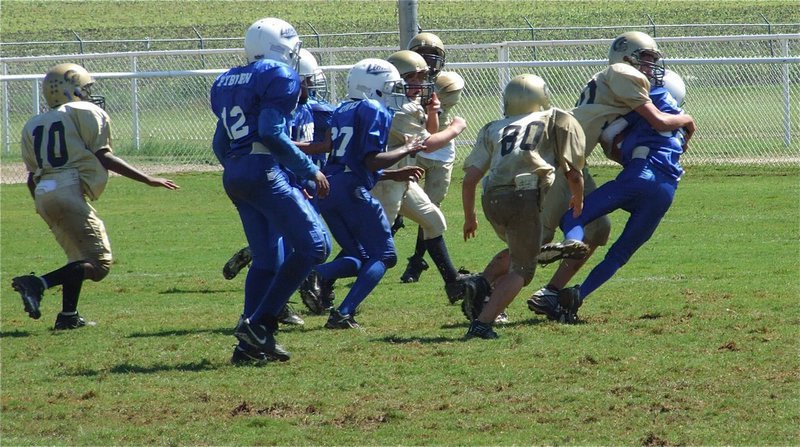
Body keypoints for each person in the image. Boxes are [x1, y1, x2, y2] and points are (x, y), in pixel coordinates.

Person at [527, 31, 697, 319]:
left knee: (572, 218)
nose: (650, 68)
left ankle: (499, 286)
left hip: (637, 176)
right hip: (667, 189)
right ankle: (575, 296)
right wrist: (688, 120)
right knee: (619, 253)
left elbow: (611, 138)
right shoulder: (651, 98)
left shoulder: (636, 102)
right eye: (645, 60)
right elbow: (660, 127)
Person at [11, 62, 179, 330]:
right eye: (84, 88)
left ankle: (68, 316)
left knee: (77, 258)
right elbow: (104, 156)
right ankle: (37, 284)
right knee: (99, 265)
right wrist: (148, 179)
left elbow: (32, 176)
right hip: (67, 188)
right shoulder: (83, 111)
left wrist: (42, 207)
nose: (88, 94)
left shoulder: (33, 123)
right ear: (69, 89)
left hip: (43, 193)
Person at [210, 17, 331, 364]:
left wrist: (240, 168)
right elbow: (271, 131)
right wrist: (308, 170)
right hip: (263, 171)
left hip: (236, 173)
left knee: (267, 260)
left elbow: (220, 142)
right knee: (316, 245)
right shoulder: (279, 75)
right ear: (284, 48)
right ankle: (260, 324)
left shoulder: (227, 79)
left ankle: (247, 346)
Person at [459, 74, 587, 339]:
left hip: (492, 198)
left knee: (519, 252)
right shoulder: (554, 118)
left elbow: (470, 180)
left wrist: (470, 218)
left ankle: (480, 284)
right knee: (522, 270)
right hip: (524, 196)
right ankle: (482, 323)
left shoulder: (492, 127)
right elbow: (573, 172)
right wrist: (578, 197)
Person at [313, 58, 425, 329]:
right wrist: (407, 149)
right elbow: (371, 160)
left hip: (330, 187)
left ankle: (311, 274)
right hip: (351, 190)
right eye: (390, 86)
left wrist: (393, 174)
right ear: (372, 87)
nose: (395, 91)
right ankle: (343, 313)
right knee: (385, 256)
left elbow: (351, 162)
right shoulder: (374, 108)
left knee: (360, 256)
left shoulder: (342, 108)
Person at [371, 49, 469, 302]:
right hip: (388, 180)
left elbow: (426, 132)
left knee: (433, 221)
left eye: (421, 77)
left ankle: (453, 282)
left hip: (402, 178)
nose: (418, 83)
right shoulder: (398, 109)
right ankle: (323, 278)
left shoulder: (407, 104)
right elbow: (428, 144)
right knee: (373, 246)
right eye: (412, 78)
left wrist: (433, 113)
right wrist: (457, 127)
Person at [400, 33, 468, 288]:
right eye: (423, 57)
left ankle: (417, 260)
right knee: (395, 206)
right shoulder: (402, 79)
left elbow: (434, 123)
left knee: (430, 210)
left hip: (439, 149)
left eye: (433, 58)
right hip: (411, 147)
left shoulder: (449, 82)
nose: (428, 64)